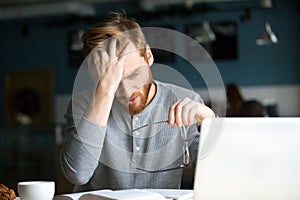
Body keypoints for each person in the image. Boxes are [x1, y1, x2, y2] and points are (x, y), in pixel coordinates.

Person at [60, 11, 215, 192]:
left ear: (148, 56)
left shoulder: (184, 101)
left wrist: (210, 122)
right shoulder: (82, 103)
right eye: (114, 81)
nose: (126, 92)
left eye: (134, 74)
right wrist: (104, 91)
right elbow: (78, 173)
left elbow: (217, 173)